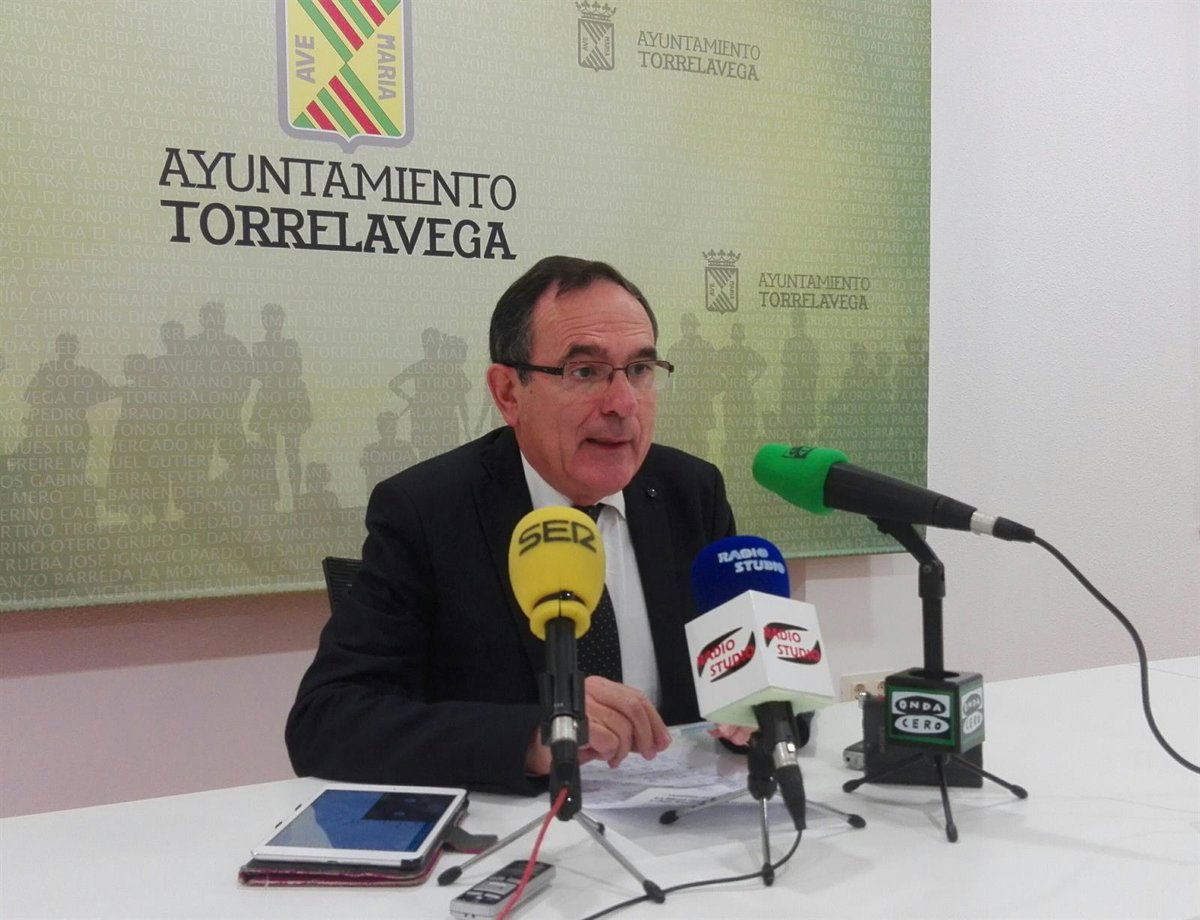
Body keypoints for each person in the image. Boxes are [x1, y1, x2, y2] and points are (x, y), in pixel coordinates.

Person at [286, 256, 747, 795]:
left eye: (640, 370)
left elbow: (761, 669)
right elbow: (327, 721)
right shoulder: (427, 511)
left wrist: (768, 709)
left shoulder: (691, 492)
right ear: (508, 393)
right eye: (585, 371)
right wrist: (533, 736)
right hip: (519, 825)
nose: (623, 404)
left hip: (685, 820)